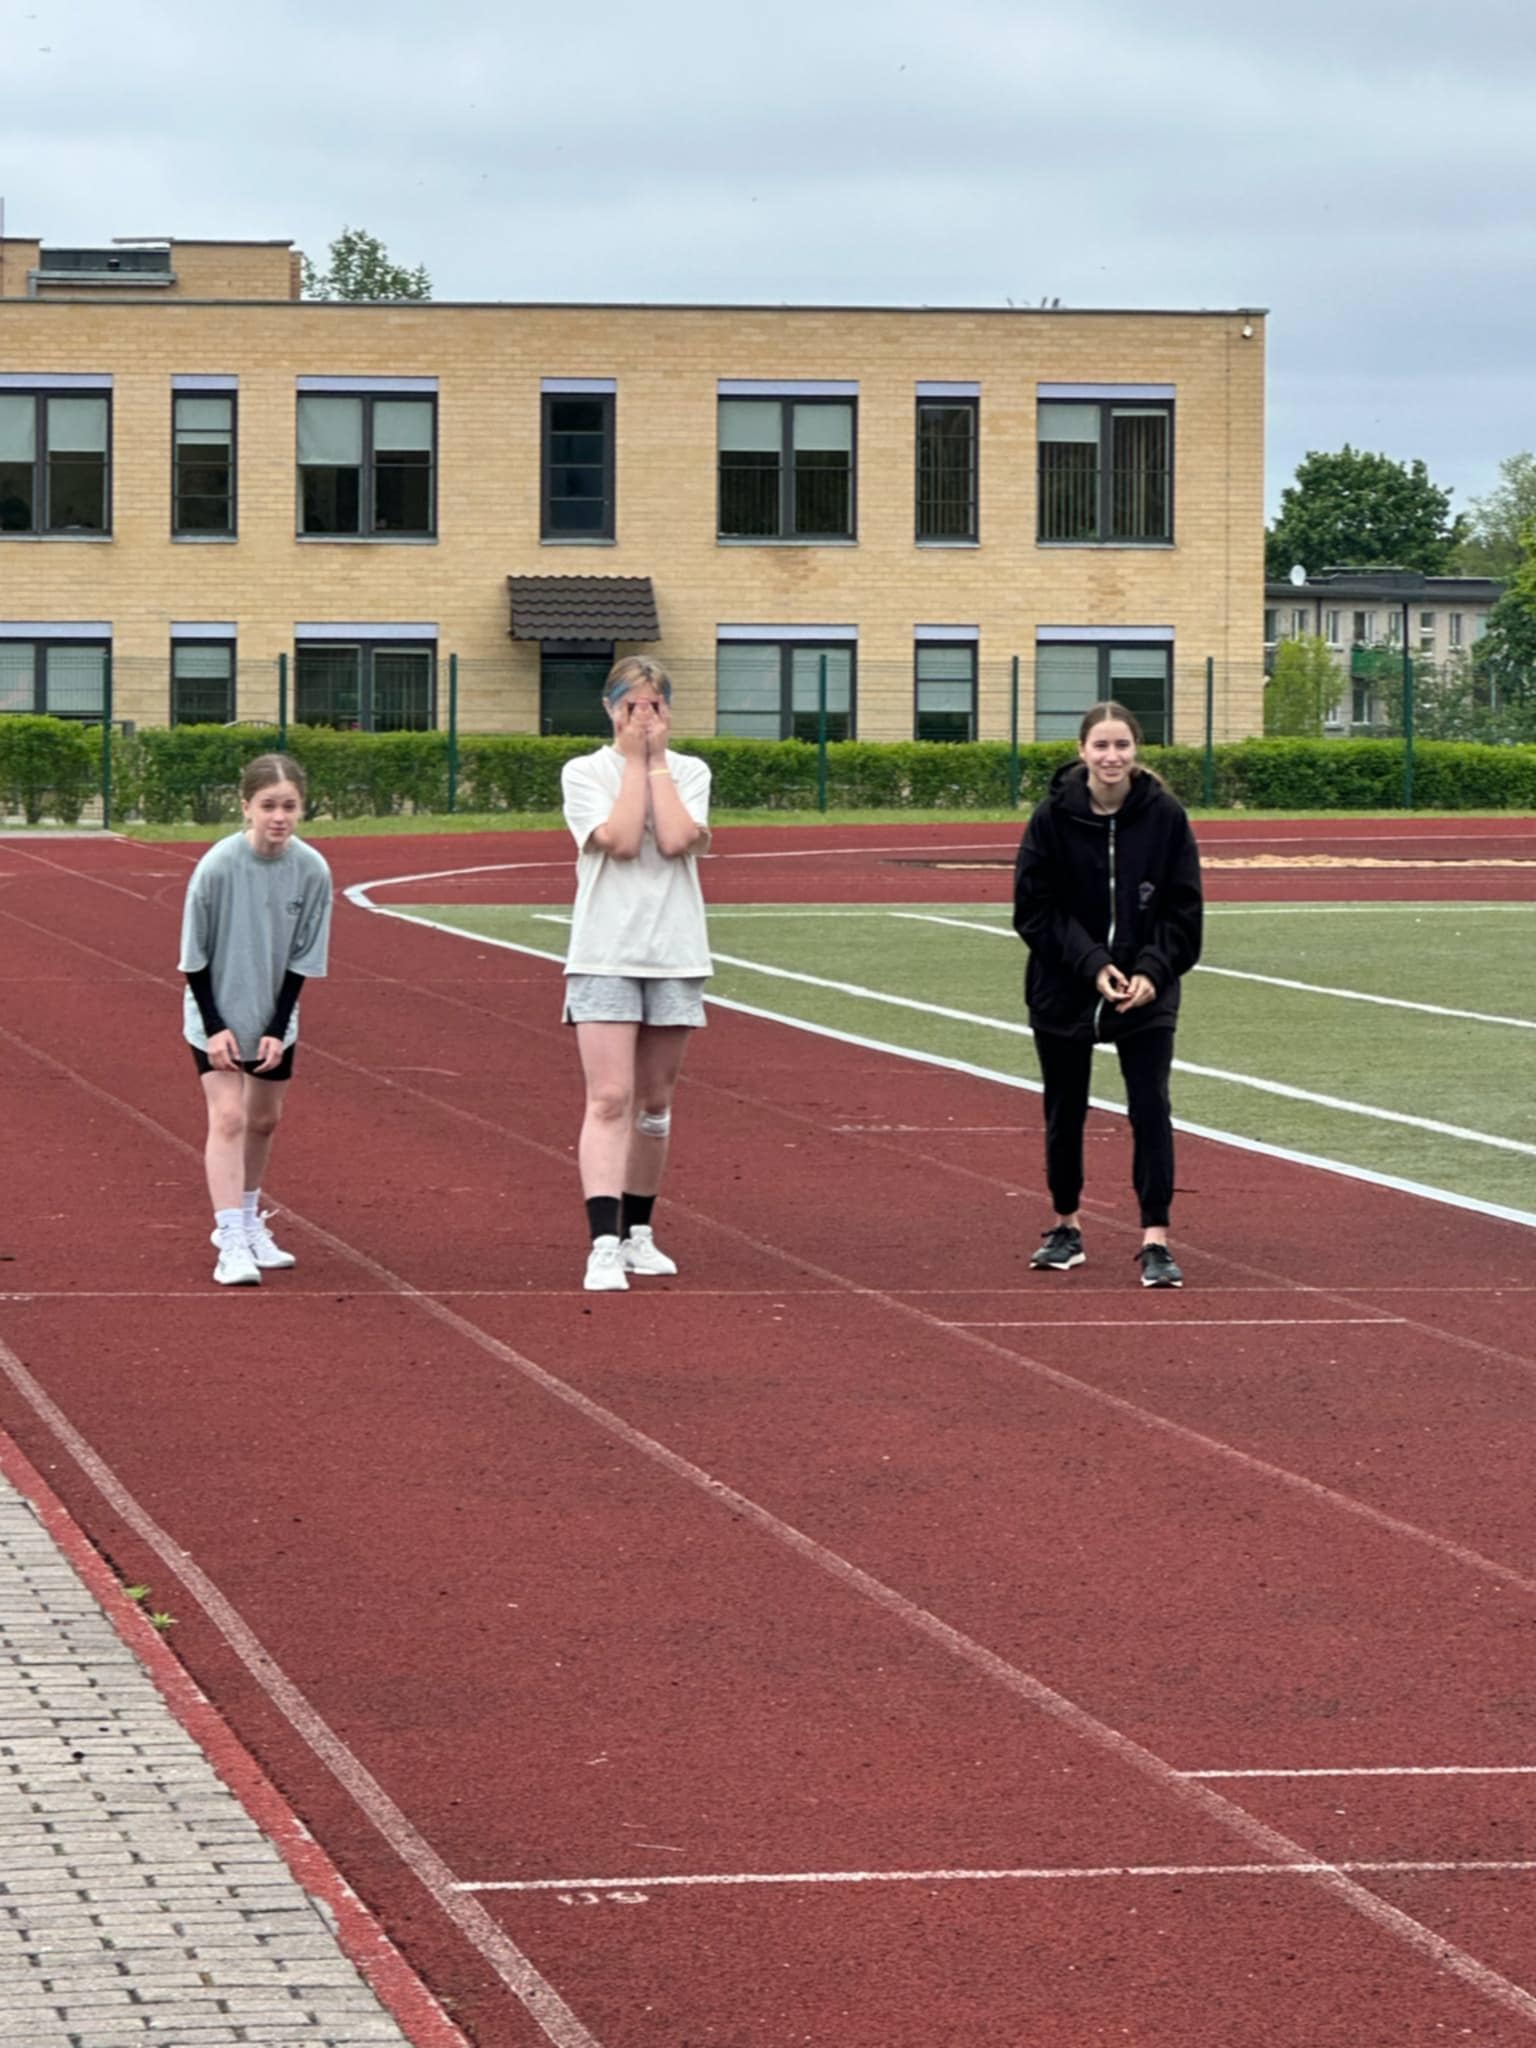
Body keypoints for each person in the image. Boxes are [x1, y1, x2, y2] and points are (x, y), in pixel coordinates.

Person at [1012, 702, 1203, 1288]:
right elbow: (1034, 910)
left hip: (1146, 993)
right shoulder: (1051, 818)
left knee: (1150, 1107)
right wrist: (1093, 964)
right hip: (1064, 988)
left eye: (1122, 745)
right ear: (1082, 752)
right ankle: (1065, 1226)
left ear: (1136, 750)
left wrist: (1151, 971)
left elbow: (1183, 909)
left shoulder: (1165, 816)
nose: (1112, 756)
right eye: (1101, 746)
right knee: (1064, 1108)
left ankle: (1156, 1239)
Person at [560, 657, 712, 1292]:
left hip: (675, 952)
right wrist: (631, 761)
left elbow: (676, 838)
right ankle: (602, 1243)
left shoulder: (690, 772)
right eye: (630, 705)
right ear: (610, 708)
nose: (642, 717)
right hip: (605, 953)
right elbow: (621, 840)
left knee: (654, 1104)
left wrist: (655, 764)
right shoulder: (583, 772)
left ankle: (638, 1234)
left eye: (653, 706)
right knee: (609, 1098)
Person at [178, 753, 333, 1286]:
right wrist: (215, 1025)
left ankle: (248, 1220)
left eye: (289, 806)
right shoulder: (218, 866)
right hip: (214, 1011)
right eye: (268, 806)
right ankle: (229, 1240)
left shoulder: (312, 870)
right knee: (228, 1117)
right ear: (246, 806)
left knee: (264, 1120)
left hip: (273, 1014)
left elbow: (303, 959)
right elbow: (193, 956)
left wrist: (276, 1027)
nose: (279, 817)